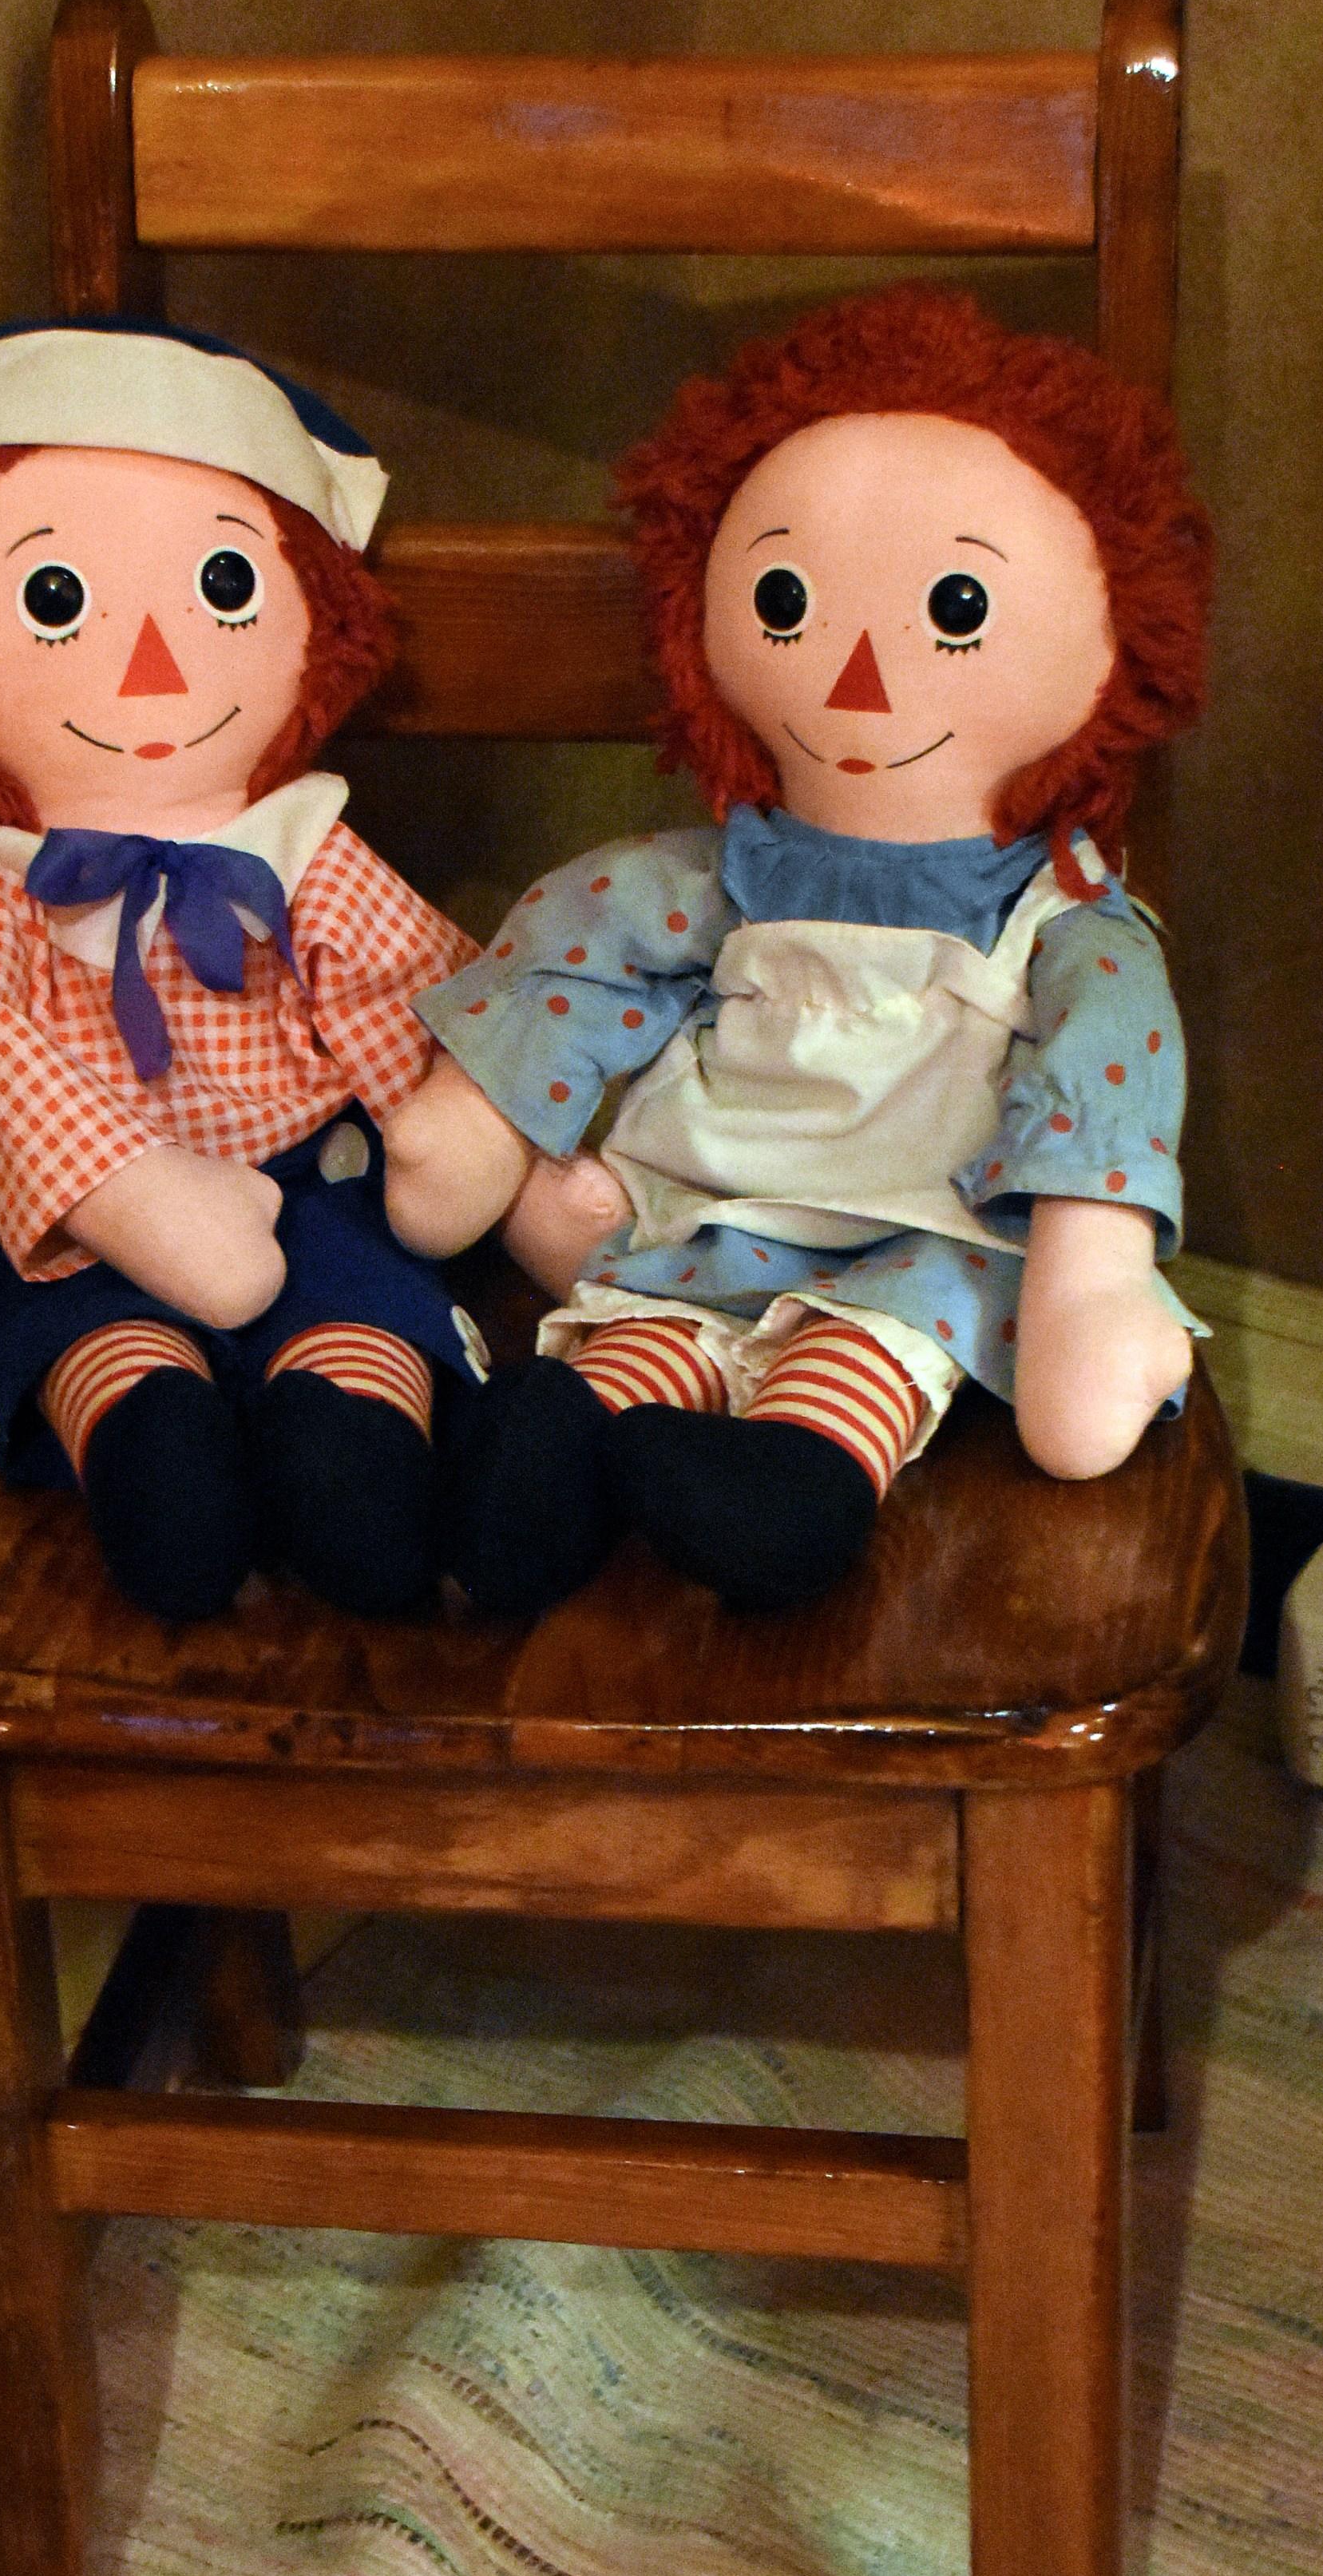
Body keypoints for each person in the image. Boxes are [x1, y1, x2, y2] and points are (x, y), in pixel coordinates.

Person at [382, 285, 1214, 1616]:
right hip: (708, 1217)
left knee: (862, 1353)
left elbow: (1104, 1078)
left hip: (928, 1232)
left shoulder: (1062, 921)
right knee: (642, 1336)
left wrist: (1093, 1281)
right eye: (785, 599)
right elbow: (584, 949)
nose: (860, 678)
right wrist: (477, 1121)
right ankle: (557, 1461)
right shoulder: (721, 877)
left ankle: (793, 1478)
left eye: (953, 606)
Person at [0, 318, 488, 1622]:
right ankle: (144, 1440)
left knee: (355, 1312)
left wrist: (463, 1126)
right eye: (55, 600)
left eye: (224, 587)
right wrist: (134, 1193)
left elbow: (406, 982)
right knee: (98, 1331)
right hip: (90, 1223)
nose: (154, 660)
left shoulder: (299, 849)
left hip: (316, 1183)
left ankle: (354, 1452)